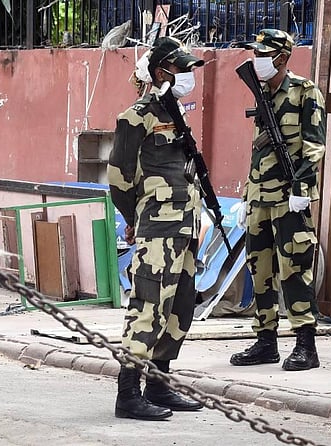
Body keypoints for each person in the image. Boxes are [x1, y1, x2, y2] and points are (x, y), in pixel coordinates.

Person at [107, 36, 205, 420]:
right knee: (148, 307)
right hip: (157, 228)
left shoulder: (176, 114)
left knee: (178, 308)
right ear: (162, 72)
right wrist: (134, 219)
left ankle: (159, 385)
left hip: (184, 228)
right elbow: (119, 178)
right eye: (181, 69)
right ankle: (128, 393)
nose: (188, 76)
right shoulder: (136, 116)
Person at [230, 29, 327, 371]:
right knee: (260, 272)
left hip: (289, 198)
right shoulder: (263, 94)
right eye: (255, 54)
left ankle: (305, 345)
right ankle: (265, 341)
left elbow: (314, 147)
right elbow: (258, 152)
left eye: (263, 54)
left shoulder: (304, 91)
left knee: (295, 271)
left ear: (282, 57)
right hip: (260, 198)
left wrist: (302, 190)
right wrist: (247, 195)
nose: (256, 60)